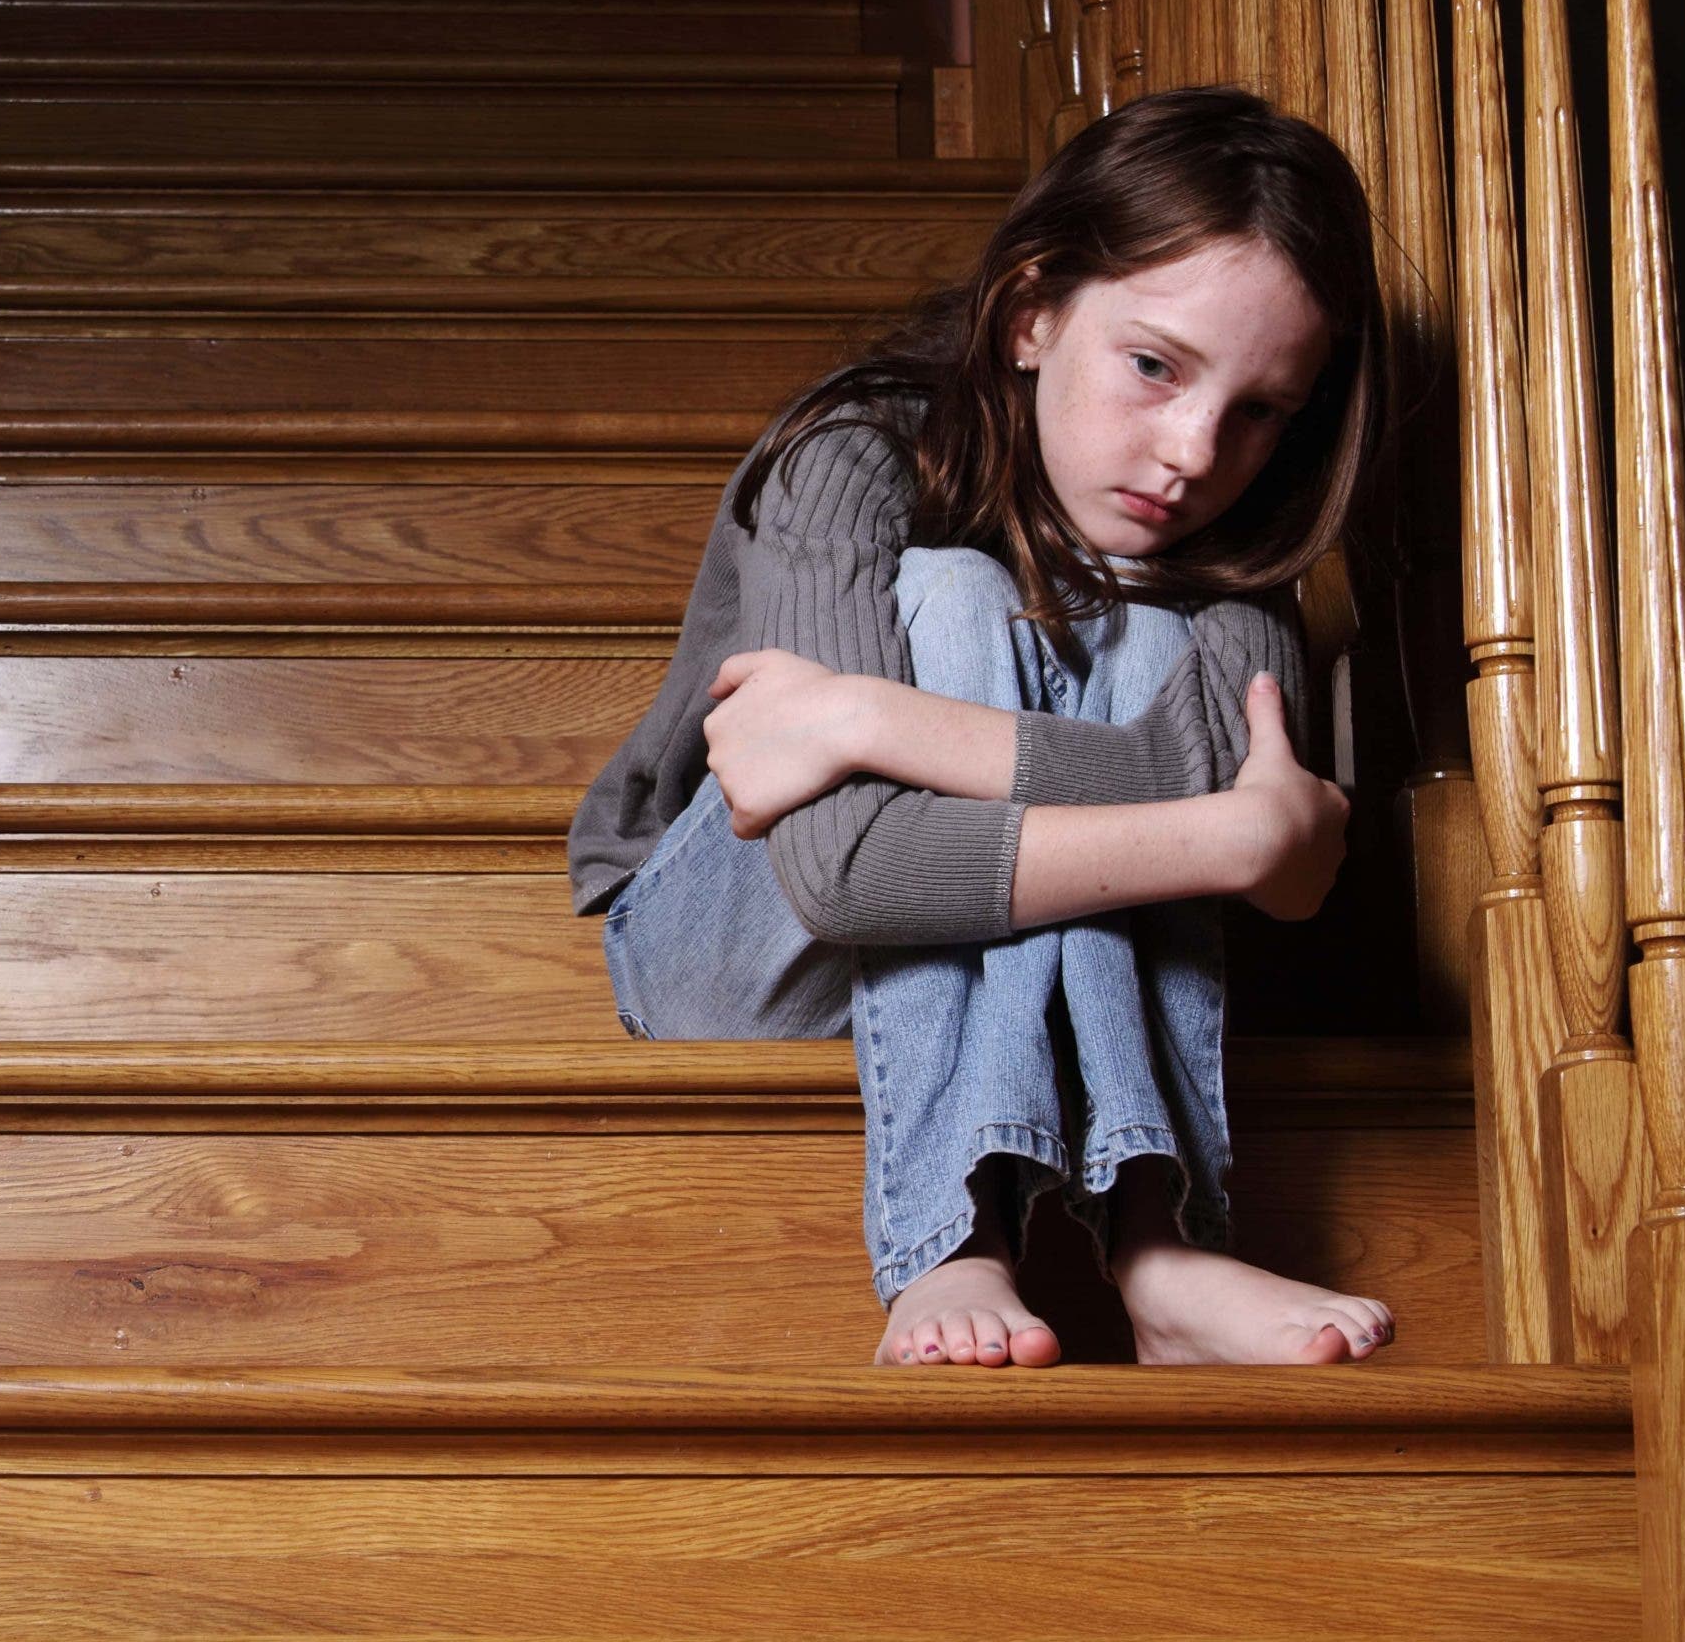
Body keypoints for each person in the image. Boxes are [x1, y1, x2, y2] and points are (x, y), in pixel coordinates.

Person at [566, 85, 1400, 1369]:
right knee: (954, 591)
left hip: (986, 951)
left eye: (1257, 409)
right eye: (1154, 365)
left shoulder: (1228, 561)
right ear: (1029, 316)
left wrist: (865, 716)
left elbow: (1213, 775)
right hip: (740, 941)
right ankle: (948, 1235)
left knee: (1150, 632)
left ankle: (1161, 1246)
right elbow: (847, 874)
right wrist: (1233, 842)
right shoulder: (851, 452)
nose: (1192, 450)